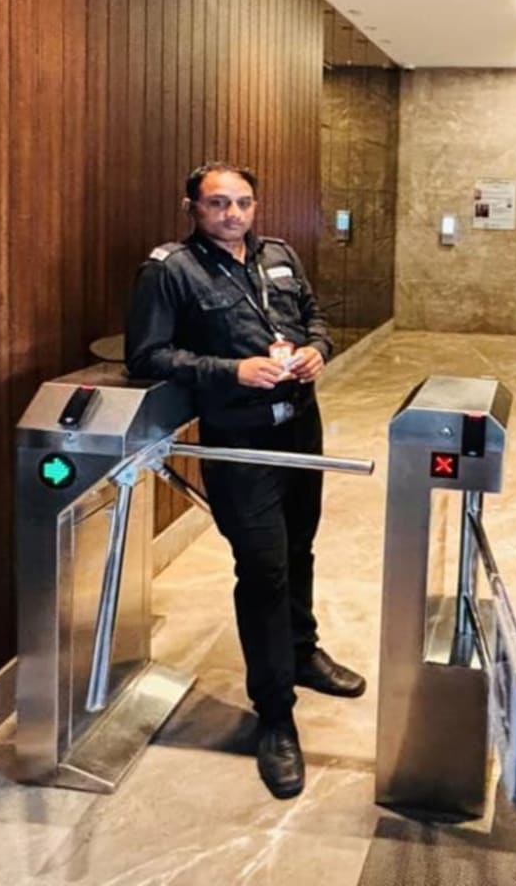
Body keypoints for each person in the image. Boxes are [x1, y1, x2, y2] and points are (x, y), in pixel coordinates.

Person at [125, 162, 366, 800]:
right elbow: (147, 354)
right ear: (192, 208)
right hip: (239, 438)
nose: (233, 214)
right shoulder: (171, 270)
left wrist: (317, 350)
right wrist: (232, 371)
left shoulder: (279, 255)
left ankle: (302, 651)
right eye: (218, 203)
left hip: (300, 426)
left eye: (243, 202)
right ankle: (275, 714)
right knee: (263, 567)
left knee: (299, 547)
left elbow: (314, 317)